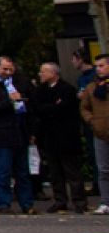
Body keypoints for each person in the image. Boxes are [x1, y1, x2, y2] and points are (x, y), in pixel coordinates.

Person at [0, 56, 35, 214]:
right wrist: (8, 101)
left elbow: (29, 103)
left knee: (23, 171)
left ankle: (27, 203)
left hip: (19, 131)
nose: (8, 72)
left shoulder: (18, 83)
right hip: (2, 132)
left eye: (10, 69)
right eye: (4, 69)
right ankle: (4, 203)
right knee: (3, 171)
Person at [32, 62, 86, 213]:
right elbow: (38, 109)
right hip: (49, 136)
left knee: (72, 171)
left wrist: (50, 109)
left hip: (66, 136)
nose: (40, 74)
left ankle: (79, 200)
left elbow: (66, 109)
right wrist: (53, 107)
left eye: (43, 71)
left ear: (53, 73)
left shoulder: (67, 89)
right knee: (55, 172)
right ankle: (60, 199)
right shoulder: (40, 91)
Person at [80, 54, 109, 214]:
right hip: (100, 131)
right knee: (103, 169)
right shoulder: (92, 87)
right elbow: (84, 107)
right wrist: (92, 121)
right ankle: (105, 201)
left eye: (102, 65)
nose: (98, 69)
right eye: (97, 66)